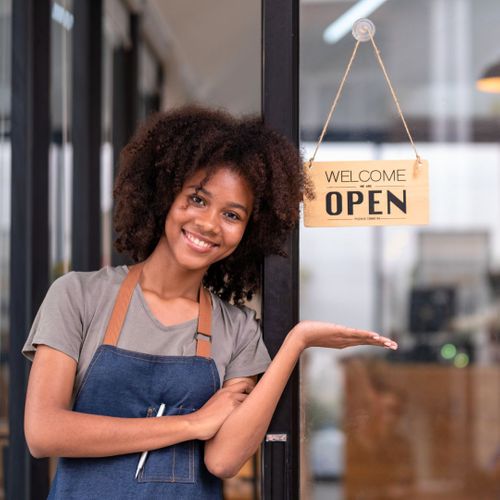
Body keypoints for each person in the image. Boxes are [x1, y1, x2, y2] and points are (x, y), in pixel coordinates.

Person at [22, 106, 398, 499]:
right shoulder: (79, 296)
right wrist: (192, 425)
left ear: (249, 232)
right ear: (166, 195)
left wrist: (296, 342)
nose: (209, 224)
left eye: (232, 214)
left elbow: (223, 460)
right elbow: (44, 432)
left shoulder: (236, 330)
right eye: (198, 199)